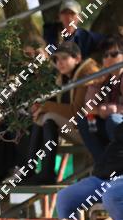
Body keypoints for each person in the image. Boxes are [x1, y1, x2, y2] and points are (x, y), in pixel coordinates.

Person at [25, 42, 99, 184]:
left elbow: (76, 112)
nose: (59, 63)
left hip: (92, 131)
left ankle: (46, 173)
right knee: (41, 117)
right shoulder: (64, 77)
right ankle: (29, 170)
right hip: (77, 129)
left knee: (48, 116)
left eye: (64, 58)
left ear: (77, 58)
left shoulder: (87, 74)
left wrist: (46, 106)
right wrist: (41, 107)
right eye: (56, 59)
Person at [56, 121, 123, 220]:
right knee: (65, 198)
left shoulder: (113, 119)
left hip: (118, 182)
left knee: (111, 196)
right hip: (104, 178)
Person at [77, 36, 123, 165]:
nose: (108, 58)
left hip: (117, 124)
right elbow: (89, 109)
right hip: (110, 125)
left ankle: (119, 167)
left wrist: (110, 110)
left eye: (114, 54)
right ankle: (104, 165)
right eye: (105, 55)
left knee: (113, 120)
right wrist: (96, 85)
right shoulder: (103, 79)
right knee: (85, 121)